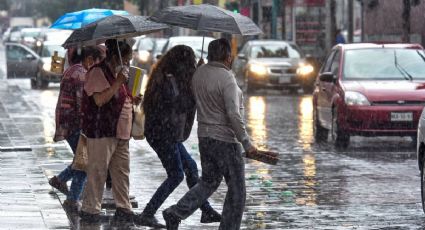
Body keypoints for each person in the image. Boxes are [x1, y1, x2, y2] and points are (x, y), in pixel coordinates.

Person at [162, 38, 258, 230]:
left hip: (205, 138)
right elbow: (233, 113)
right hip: (225, 141)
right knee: (237, 190)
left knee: (208, 182)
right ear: (227, 57)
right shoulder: (227, 78)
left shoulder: (198, 74)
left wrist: (199, 70)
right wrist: (246, 143)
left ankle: (176, 212)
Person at [135, 45, 221, 228]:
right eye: (189, 62)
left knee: (190, 167)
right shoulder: (169, 81)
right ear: (182, 63)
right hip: (162, 134)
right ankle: (148, 213)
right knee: (176, 175)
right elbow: (181, 104)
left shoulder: (170, 77)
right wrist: (195, 79)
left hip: (166, 133)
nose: (191, 66)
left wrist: (196, 75)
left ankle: (205, 210)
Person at [79, 39, 141, 224]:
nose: (128, 64)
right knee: (98, 171)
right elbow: (100, 100)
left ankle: (124, 208)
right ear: (115, 57)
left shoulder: (117, 74)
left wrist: (132, 99)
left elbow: (119, 97)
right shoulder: (98, 72)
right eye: (126, 60)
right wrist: (119, 82)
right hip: (102, 130)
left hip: (121, 133)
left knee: (121, 172)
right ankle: (91, 209)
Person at [48, 46, 104, 212]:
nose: (96, 66)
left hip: (68, 122)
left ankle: (62, 182)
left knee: (82, 159)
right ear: (89, 59)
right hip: (75, 124)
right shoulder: (80, 74)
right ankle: (71, 197)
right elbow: (82, 105)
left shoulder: (73, 70)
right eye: (96, 62)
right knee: (84, 162)